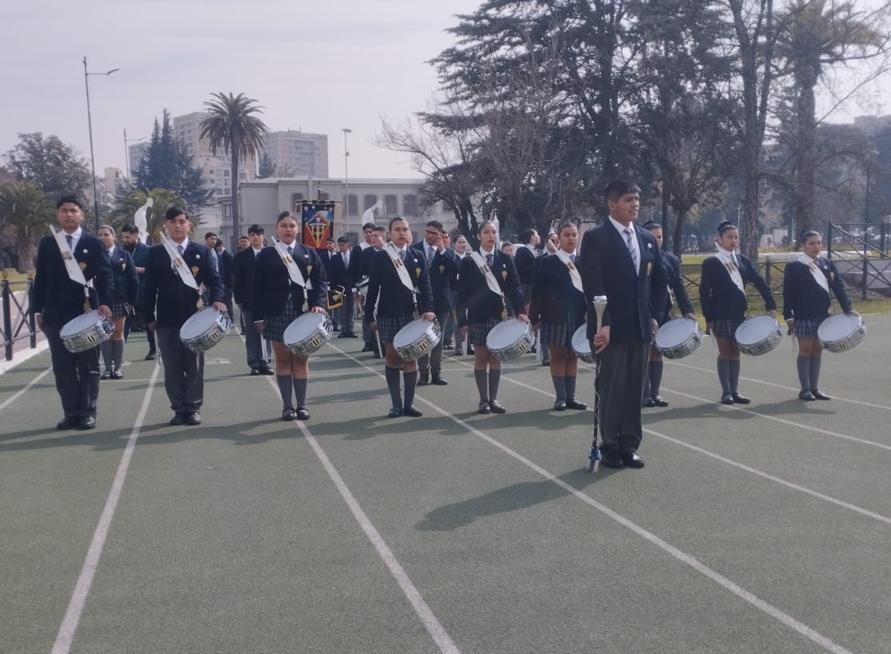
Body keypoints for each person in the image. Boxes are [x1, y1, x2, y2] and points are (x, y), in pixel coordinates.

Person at [578, 180, 668, 469]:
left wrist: (655, 315)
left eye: (637, 199)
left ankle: (630, 443)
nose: (635, 204)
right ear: (612, 203)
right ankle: (610, 445)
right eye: (629, 199)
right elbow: (594, 285)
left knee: (634, 387)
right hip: (611, 328)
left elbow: (658, 281)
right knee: (613, 387)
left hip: (641, 326)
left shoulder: (646, 239)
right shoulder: (596, 238)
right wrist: (604, 323)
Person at [32, 196, 113, 430]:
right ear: (58, 215)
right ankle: (71, 412)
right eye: (64, 211)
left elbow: (106, 276)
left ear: (81, 215)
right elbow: (42, 279)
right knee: (62, 366)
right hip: (56, 314)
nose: (68, 214)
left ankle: (88, 412)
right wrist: (38, 310)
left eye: (73, 210)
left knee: (88, 365)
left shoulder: (94, 243)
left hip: (86, 311)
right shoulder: (48, 243)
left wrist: (105, 303)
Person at [143, 207, 226, 426]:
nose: (177, 225)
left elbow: (215, 281)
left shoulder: (203, 252)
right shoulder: (156, 253)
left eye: (181, 221)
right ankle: (179, 408)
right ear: (166, 226)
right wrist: (147, 315)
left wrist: (218, 299)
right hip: (167, 317)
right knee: (172, 366)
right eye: (172, 222)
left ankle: (193, 406)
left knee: (194, 364)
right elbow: (148, 288)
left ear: (189, 224)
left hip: (195, 316)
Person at [252, 211, 328, 421]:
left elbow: (321, 282)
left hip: (303, 312)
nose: (288, 229)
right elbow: (257, 288)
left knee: (301, 360)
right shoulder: (266, 255)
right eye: (284, 225)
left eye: (292, 225)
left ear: (297, 229)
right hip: (277, 312)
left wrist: (318, 304)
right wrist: (259, 316)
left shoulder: (309, 252)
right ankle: (287, 406)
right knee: (283, 359)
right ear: (276, 229)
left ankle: (302, 406)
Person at [364, 216, 436, 418]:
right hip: (388, 313)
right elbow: (373, 287)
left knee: (411, 358)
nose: (402, 232)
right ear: (389, 233)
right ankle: (396, 404)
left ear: (409, 232)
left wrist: (429, 308)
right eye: (397, 229)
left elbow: (426, 285)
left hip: (412, 314)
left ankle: (409, 404)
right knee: (393, 358)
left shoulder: (417, 255)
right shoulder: (381, 257)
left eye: (405, 229)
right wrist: (369, 315)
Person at [700, 220, 776, 405]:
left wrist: (771, 304)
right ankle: (726, 391)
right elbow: (704, 292)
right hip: (720, 314)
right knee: (724, 353)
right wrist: (709, 317)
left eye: (736, 237)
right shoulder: (712, 262)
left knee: (736, 352)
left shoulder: (743, 261)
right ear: (720, 239)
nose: (733, 241)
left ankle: (735, 390)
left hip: (739, 314)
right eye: (729, 237)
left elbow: (759, 282)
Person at [457, 221, 528, 414]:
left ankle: (494, 399)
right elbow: (461, 293)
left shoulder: (506, 258)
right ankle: (483, 400)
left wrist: (521, 310)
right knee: (481, 356)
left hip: (500, 315)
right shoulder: (469, 262)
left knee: (496, 356)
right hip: (478, 316)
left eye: (494, 232)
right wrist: (462, 321)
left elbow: (515, 286)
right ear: (479, 236)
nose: (491, 235)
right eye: (486, 232)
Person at [782, 229, 854, 401]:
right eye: (812, 243)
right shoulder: (795, 267)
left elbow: (839, 287)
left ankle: (815, 388)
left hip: (823, 315)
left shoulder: (827, 264)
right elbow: (788, 293)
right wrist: (789, 316)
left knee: (818, 350)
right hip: (803, 315)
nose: (816, 246)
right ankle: (804, 389)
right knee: (806, 350)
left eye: (818, 243)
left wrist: (847, 307)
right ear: (803, 246)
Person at [529, 222, 587, 411]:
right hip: (554, 314)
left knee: (573, 355)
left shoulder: (584, 261)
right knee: (558, 356)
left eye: (574, 235)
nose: (571, 238)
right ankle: (560, 398)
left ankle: (571, 397)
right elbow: (538, 291)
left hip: (579, 315)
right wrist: (534, 316)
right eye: (567, 235)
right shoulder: (548, 262)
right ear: (559, 239)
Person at [641, 221, 696, 407]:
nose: (658, 240)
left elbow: (679, 287)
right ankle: (644, 394)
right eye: (654, 236)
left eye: (660, 236)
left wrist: (688, 310)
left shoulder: (670, 259)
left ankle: (655, 393)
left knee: (657, 352)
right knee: (645, 353)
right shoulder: (640, 258)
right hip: (642, 312)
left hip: (663, 312)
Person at [412, 220, 459, 385]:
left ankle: (436, 373)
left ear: (440, 235)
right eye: (428, 232)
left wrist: (442, 250)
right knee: (421, 339)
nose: (430, 235)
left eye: (434, 233)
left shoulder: (447, 253)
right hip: (420, 301)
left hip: (441, 301)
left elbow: (456, 270)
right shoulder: (415, 249)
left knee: (437, 339)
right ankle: (423, 373)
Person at [97, 225, 138, 379]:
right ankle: (107, 368)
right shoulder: (95, 255)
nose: (102, 237)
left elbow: (133, 279)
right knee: (104, 335)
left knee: (118, 332)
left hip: (120, 299)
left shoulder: (124, 254)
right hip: (101, 301)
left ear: (113, 237)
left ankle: (118, 367)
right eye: (100, 235)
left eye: (106, 234)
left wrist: (132, 301)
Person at [233, 223, 273, 375]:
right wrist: (239, 299)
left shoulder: (271, 253)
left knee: (267, 332)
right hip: (249, 301)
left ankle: (266, 362)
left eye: (258, 234)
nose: (255, 237)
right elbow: (237, 280)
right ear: (249, 237)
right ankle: (254, 363)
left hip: (268, 301)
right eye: (252, 235)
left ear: (263, 236)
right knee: (251, 333)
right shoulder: (242, 256)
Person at [120, 223, 157, 360]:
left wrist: (138, 270)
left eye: (128, 237)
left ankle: (153, 349)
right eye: (123, 237)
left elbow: (154, 270)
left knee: (149, 322)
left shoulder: (148, 250)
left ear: (136, 235)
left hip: (144, 291)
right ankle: (118, 354)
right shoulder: (121, 251)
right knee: (124, 324)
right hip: (126, 293)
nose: (125, 240)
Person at [328, 236, 361, 338]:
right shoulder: (335, 258)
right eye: (340, 245)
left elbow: (357, 272)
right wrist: (334, 288)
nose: (341, 247)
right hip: (340, 288)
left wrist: (356, 287)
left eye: (343, 245)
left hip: (352, 287)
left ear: (348, 245)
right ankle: (343, 330)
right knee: (342, 310)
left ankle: (350, 330)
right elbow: (332, 274)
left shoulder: (354, 257)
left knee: (351, 309)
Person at [451, 234, 473, 356]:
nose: (462, 245)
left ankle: (469, 344)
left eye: (464, 242)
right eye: (459, 242)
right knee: (457, 319)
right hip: (455, 293)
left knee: (470, 318)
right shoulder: (452, 258)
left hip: (469, 293)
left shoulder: (470, 258)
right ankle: (459, 345)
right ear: (454, 244)